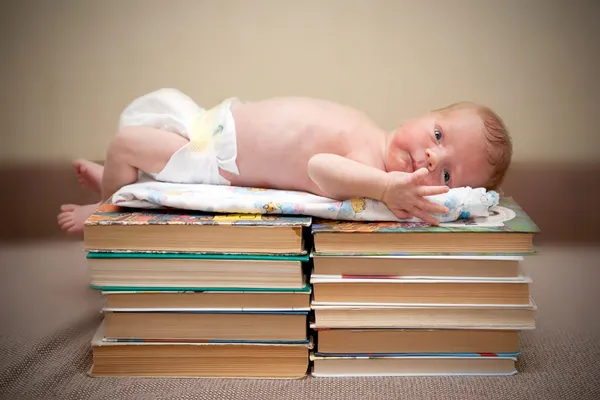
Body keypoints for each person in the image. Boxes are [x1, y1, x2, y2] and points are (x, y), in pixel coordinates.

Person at [57, 88, 512, 236]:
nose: (432, 156)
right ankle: (116, 187)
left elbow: (319, 168)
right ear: (425, 115)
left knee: (124, 144)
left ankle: (102, 210)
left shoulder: (369, 170)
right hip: (210, 126)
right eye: (438, 135)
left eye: (446, 174)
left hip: (211, 159)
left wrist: (387, 188)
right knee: (136, 151)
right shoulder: (371, 134)